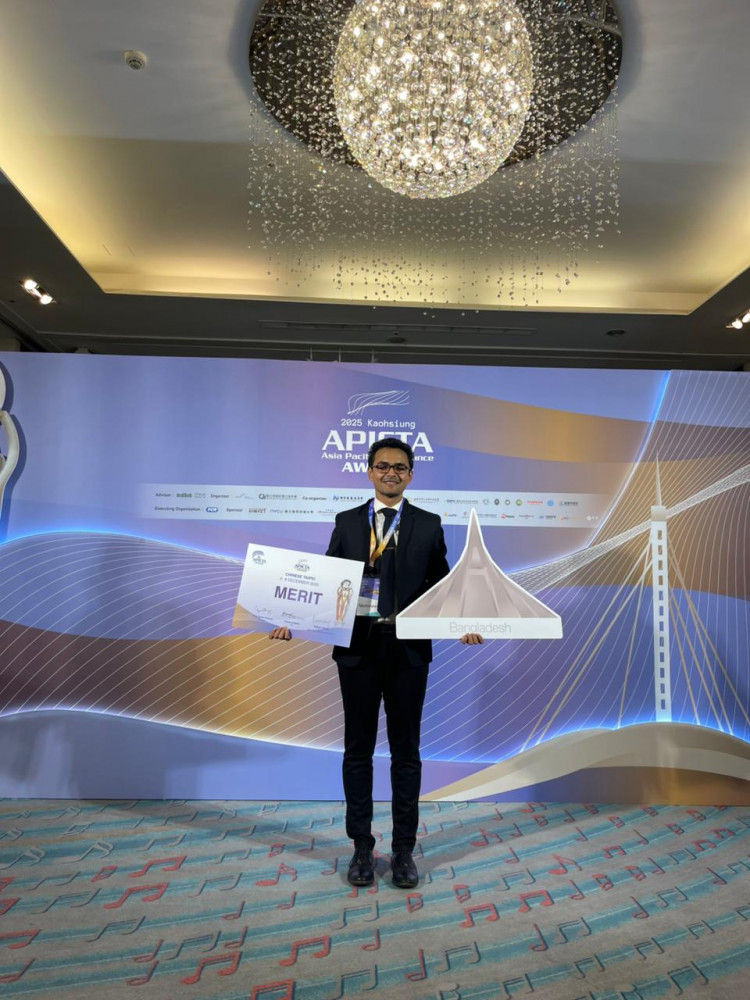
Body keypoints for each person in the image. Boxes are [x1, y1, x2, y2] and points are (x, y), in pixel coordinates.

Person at [270, 437, 482, 888]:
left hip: (408, 651)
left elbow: (443, 585)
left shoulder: (429, 524)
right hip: (358, 650)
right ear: (369, 472)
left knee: (406, 753)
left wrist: (465, 622)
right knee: (358, 751)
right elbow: (323, 580)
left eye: (399, 467)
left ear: (410, 475)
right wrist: (290, 616)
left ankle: (403, 850)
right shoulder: (348, 521)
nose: (391, 473)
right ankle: (362, 847)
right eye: (382, 466)